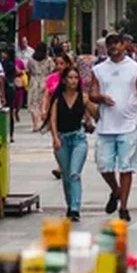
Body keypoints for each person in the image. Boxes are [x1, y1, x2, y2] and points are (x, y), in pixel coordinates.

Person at [90, 33, 137, 222]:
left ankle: (124, 207)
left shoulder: (136, 69)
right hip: (105, 125)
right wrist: (101, 98)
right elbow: (92, 92)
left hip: (128, 124)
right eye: (109, 45)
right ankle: (115, 190)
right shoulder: (99, 69)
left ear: (123, 45)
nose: (112, 48)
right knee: (104, 165)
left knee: (126, 167)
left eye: (116, 44)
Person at [46, 67, 96, 222]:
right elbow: (52, 120)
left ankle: (75, 208)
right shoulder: (57, 99)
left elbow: (96, 113)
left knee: (75, 173)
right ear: (64, 80)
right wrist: (55, 137)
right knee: (67, 176)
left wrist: (95, 107)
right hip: (62, 138)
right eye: (70, 77)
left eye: (76, 78)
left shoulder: (83, 98)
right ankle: (70, 204)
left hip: (78, 139)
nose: (73, 81)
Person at [42, 54, 74, 181]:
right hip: (54, 114)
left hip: (69, 114)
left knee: (70, 140)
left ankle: (68, 164)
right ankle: (61, 166)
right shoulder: (51, 79)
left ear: (67, 64)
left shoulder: (73, 78)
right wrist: (44, 109)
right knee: (56, 140)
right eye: (57, 64)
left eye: (62, 63)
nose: (59, 66)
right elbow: (46, 95)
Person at [27, 42, 54, 132]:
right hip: (45, 81)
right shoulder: (49, 60)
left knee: (33, 103)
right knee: (44, 103)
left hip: (34, 82)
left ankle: (35, 124)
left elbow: (28, 71)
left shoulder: (31, 59)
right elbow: (52, 71)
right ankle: (44, 123)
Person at [0, 48, 18, 143]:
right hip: (11, 89)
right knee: (10, 112)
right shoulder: (13, 64)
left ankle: (6, 132)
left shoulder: (4, 64)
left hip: (5, 89)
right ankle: (11, 134)